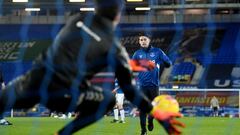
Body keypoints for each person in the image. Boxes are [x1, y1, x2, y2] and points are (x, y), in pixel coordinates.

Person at [0, 0, 184, 135]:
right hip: (66, 95)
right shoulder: (114, 47)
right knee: (108, 101)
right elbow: (128, 89)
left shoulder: (76, 20)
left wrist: (132, 64)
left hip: (34, 82)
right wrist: (156, 112)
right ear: (118, 16)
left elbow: (87, 52)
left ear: (95, 8)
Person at [132, 33, 172, 135]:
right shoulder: (137, 54)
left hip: (154, 86)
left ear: (149, 40)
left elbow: (169, 63)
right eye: (141, 40)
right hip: (141, 86)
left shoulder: (157, 52)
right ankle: (143, 130)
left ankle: (150, 120)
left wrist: (166, 63)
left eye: (145, 39)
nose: (143, 41)